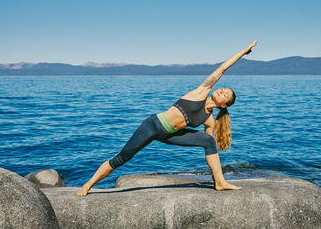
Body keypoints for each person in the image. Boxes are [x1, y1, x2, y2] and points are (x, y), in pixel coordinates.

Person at [77, 40, 258, 196]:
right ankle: (88, 185)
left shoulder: (209, 120)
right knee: (122, 158)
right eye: (223, 89)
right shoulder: (202, 91)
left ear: (223, 105)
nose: (221, 90)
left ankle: (220, 182)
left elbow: (210, 151)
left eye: (225, 94)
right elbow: (222, 68)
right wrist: (243, 52)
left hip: (170, 135)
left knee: (209, 141)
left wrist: (213, 168)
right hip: (153, 126)